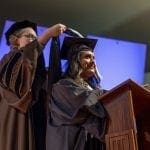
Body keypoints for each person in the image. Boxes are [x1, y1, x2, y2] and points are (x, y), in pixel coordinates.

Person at [0, 20, 66, 150]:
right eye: (29, 36)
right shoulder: (10, 59)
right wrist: (47, 34)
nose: (34, 40)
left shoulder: (34, 66)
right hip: (16, 119)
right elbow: (24, 66)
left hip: (36, 120)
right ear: (15, 40)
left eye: (35, 37)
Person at [46, 36, 107, 150]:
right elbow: (84, 103)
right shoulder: (62, 87)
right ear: (75, 60)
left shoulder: (91, 88)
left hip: (91, 143)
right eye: (88, 57)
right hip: (70, 143)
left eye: (94, 57)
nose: (93, 61)